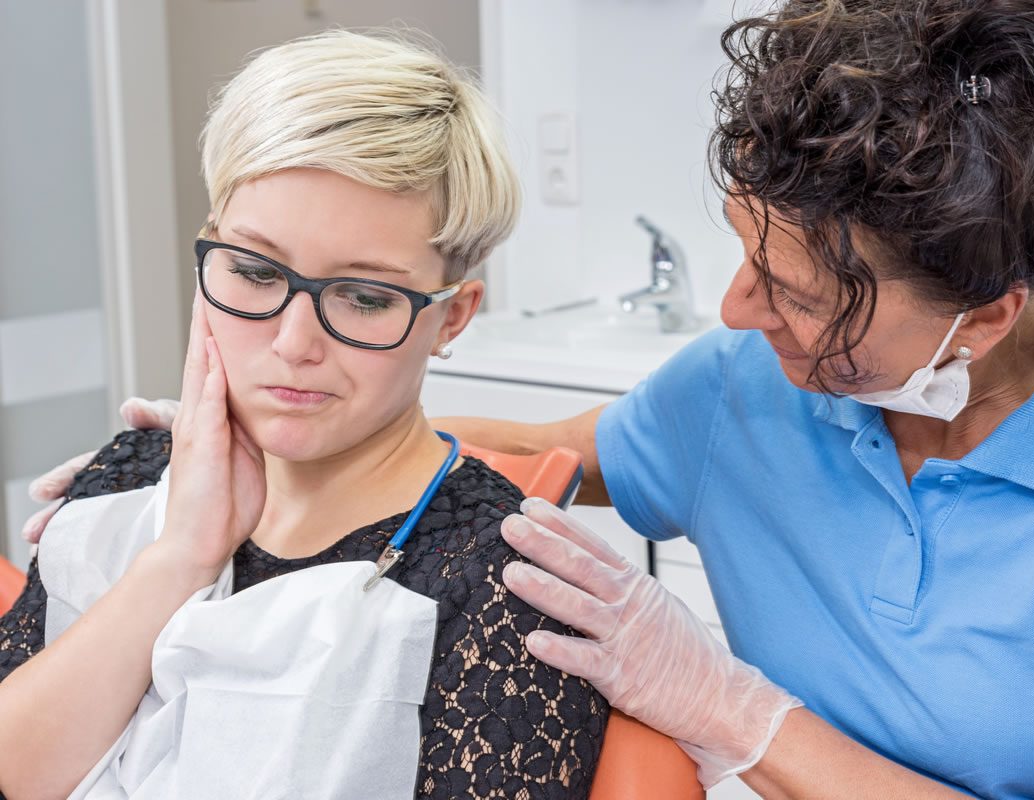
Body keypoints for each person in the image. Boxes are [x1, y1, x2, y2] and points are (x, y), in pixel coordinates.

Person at [22, 1, 1034, 797]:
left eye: (797, 294)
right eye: (744, 252)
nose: (736, 311)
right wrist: (249, 437)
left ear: (984, 311)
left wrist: (740, 713)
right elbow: (528, 449)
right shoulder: (744, 390)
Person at [0, 30, 608, 800]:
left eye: (364, 297)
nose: (294, 344)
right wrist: (180, 557)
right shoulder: (129, 474)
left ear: (452, 318)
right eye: (255, 273)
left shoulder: (512, 591)